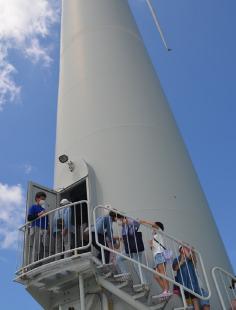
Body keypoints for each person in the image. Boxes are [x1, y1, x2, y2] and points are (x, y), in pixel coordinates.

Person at [142, 220, 172, 298]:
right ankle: (166, 291)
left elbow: (155, 225)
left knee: (162, 273)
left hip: (160, 254)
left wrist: (144, 221)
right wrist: (151, 245)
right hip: (157, 255)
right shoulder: (155, 237)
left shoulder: (159, 232)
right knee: (156, 276)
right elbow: (153, 249)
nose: (152, 229)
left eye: (153, 228)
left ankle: (166, 291)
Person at [116, 216, 148, 286]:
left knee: (136, 265)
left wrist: (127, 222)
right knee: (118, 258)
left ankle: (144, 283)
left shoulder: (130, 223)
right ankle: (125, 274)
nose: (118, 222)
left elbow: (138, 222)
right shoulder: (124, 228)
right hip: (130, 249)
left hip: (136, 248)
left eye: (119, 220)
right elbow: (124, 238)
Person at [172, 245, 202, 310]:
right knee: (187, 301)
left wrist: (192, 252)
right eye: (183, 248)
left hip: (192, 283)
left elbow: (194, 262)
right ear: (180, 250)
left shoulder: (190, 258)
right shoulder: (176, 259)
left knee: (194, 299)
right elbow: (175, 268)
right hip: (183, 283)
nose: (185, 249)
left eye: (186, 248)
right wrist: (181, 262)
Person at [27, 191, 49, 264]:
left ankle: (40, 263)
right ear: (37, 199)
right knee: (36, 247)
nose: (43, 201)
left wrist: (48, 228)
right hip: (36, 228)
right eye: (42, 199)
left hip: (44, 230)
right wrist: (38, 214)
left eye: (44, 199)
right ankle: (33, 265)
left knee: (42, 247)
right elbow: (29, 218)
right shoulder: (33, 207)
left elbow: (46, 219)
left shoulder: (44, 209)